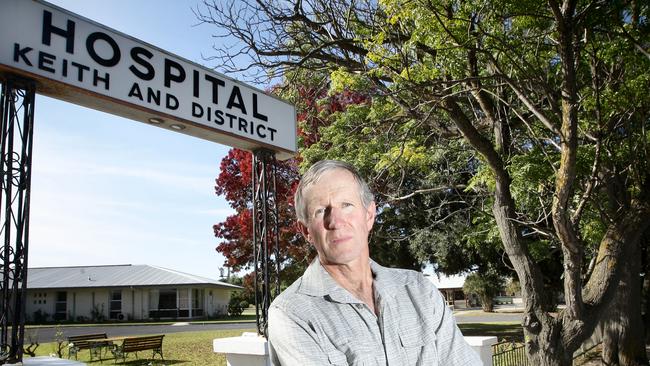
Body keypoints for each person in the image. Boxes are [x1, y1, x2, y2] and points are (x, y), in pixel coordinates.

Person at [268, 160, 482, 365]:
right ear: (306, 231)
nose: (335, 221)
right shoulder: (292, 313)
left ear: (369, 215)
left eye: (347, 205)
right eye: (321, 211)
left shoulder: (418, 289)